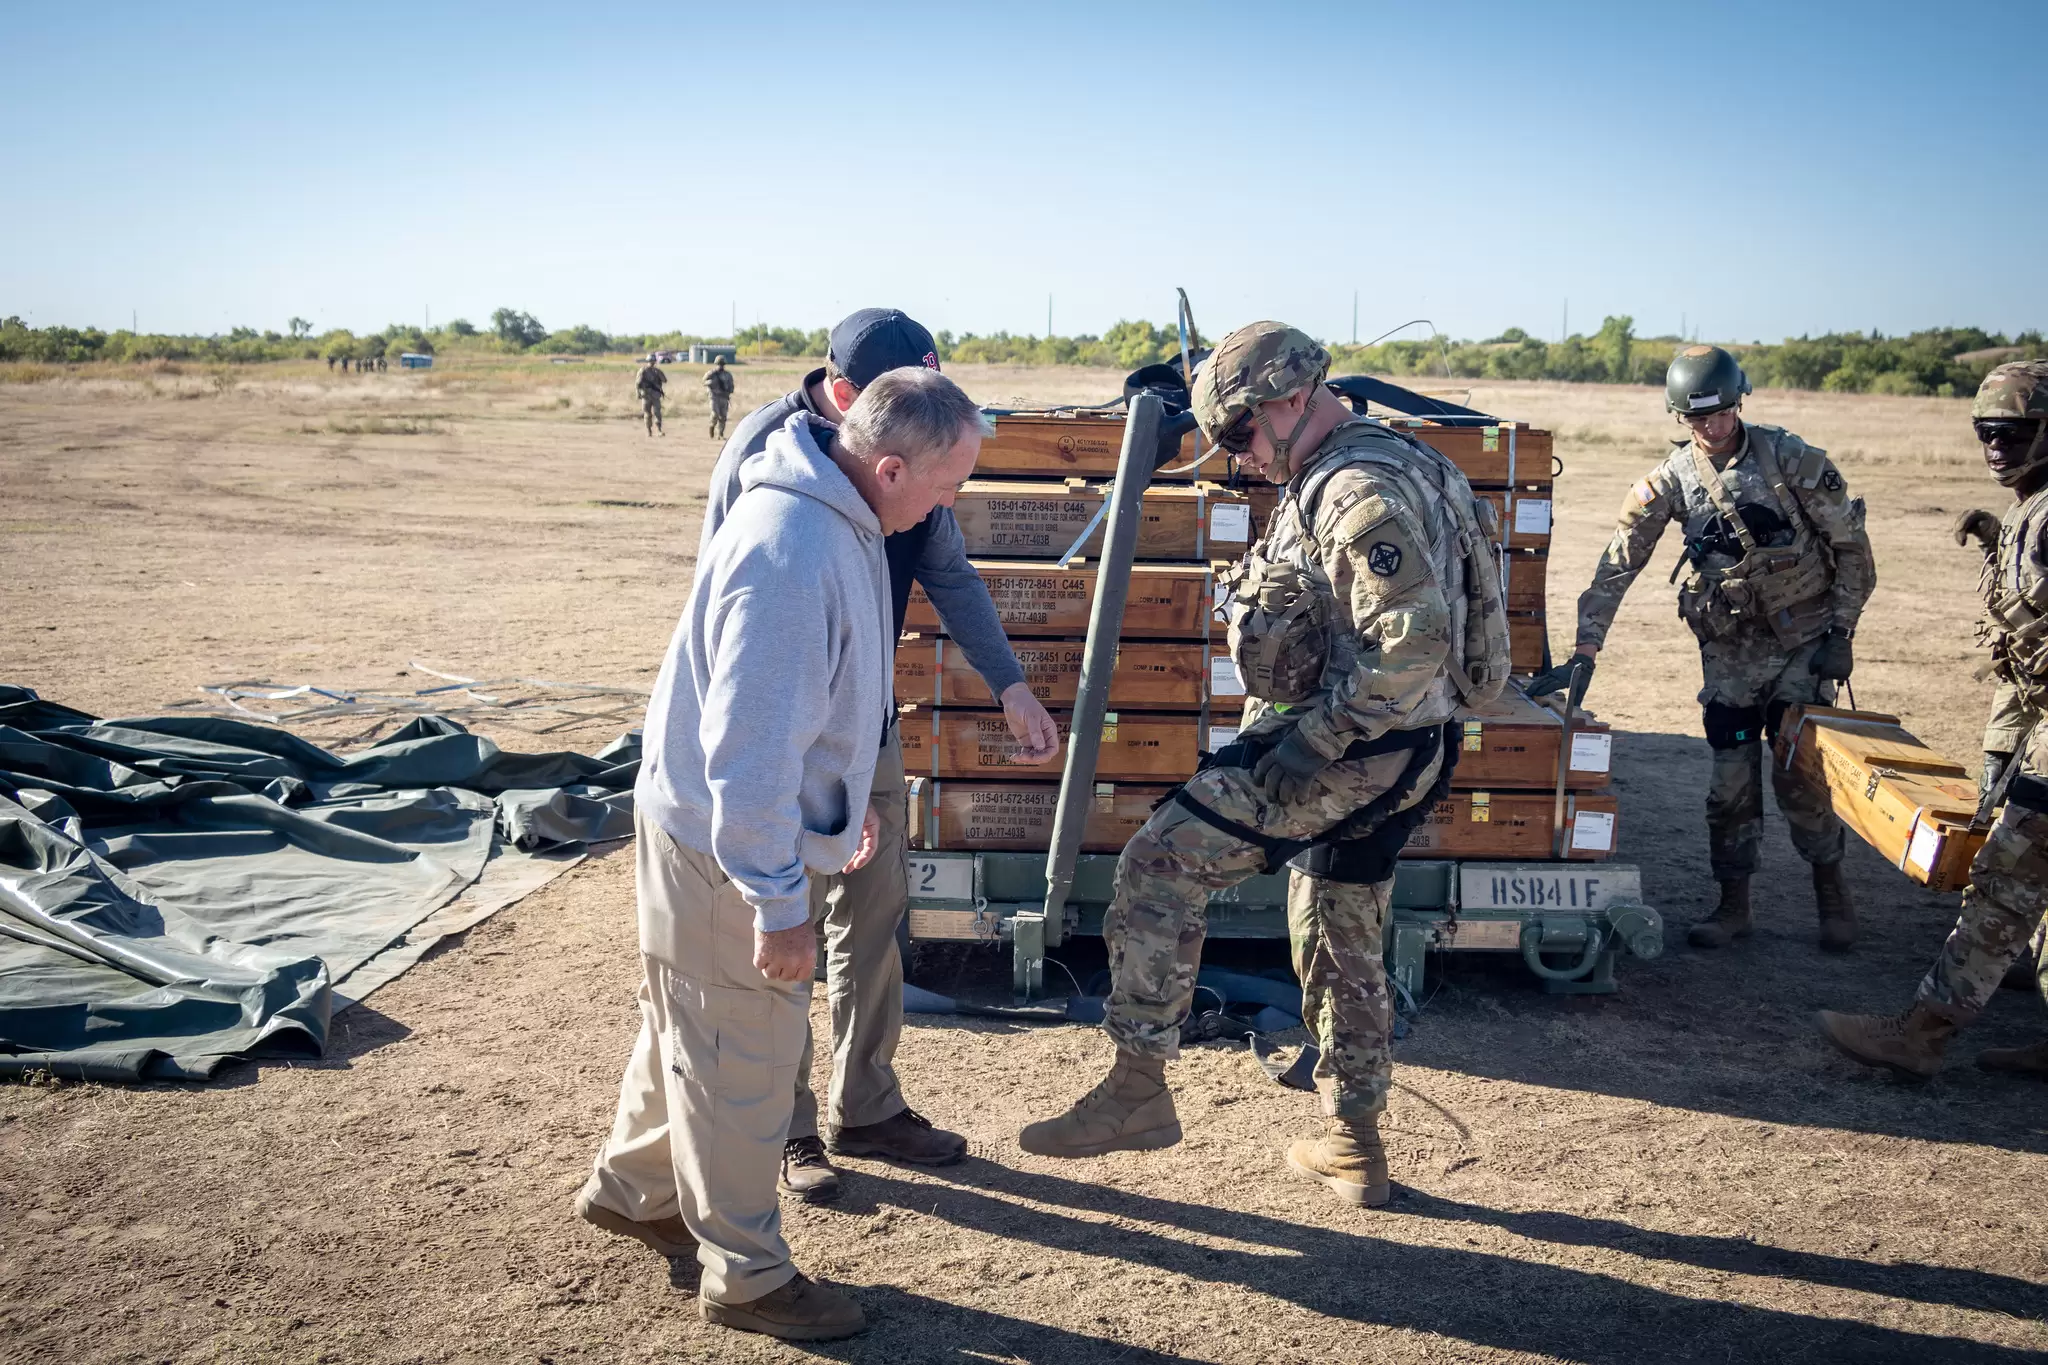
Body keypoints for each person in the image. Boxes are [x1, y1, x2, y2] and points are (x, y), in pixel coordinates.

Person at [1017, 322, 1511, 1208]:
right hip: (1407, 746)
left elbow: (1412, 639)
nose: (1237, 456)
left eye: (1241, 432)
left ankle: (1137, 1091)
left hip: (1355, 747)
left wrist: (1310, 743)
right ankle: (1354, 1143)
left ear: (1291, 399)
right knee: (1338, 925)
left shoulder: (1357, 489)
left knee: (1160, 862)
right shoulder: (1377, 460)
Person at [577, 368, 989, 1341]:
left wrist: (840, 816)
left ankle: (633, 1192)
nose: (950, 506)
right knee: (742, 1055)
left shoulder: (837, 515)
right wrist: (776, 900)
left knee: (689, 1023)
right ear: (889, 466)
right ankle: (748, 1276)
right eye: (946, 485)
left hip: (730, 829)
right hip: (727, 844)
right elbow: (750, 752)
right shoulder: (794, 547)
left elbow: (811, 711)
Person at [676, 307, 1055, 1202]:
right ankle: (792, 1126)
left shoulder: (915, 441)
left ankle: (869, 1103)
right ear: (848, 397)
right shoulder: (770, 460)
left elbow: (948, 567)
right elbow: (737, 620)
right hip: (792, 728)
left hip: (865, 724)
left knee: (876, 909)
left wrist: (1009, 682)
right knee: (786, 921)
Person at [1535, 345, 1875, 952]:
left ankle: (1832, 893)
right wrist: (1588, 644)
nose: (1710, 428)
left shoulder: (1791, 459)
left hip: (1802, 643)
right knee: (1729, 784)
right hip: (1729, 654)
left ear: (1739, 402)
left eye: (1719, 414)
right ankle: (1733, 904)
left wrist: (1842, 635)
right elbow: (1618, 562)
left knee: (1801, 777)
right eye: (1696, 419)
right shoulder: (1671, 481)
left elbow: (1852, 549)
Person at [1818, 361, 2048, 1081]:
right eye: (1986, 432)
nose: (1996, 447)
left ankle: (1924, 1031)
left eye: (2014, 432)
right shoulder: (2032, 509)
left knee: (2008, 878)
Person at [636, 353, 667, 437]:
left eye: (653, 361)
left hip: (656, 395)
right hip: (646, 395)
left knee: (657, 413)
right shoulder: (643, 371)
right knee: (647, 414)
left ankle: (659, 430)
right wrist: (638, 393)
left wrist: (659, 373)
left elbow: (664, 380)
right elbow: (638, 383)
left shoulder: (657, 371)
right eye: (650, 361)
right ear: (647, 361)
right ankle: (649, 430)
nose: (652, 363)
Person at [705, 355, 735, 439]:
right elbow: (704, 381)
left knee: (723, 416)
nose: (721, 366)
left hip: (724, 397)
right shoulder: (712, 373)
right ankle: (712, 426)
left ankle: (720, 434)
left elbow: (731, 385)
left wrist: (729, 390)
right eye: (719, 364)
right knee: (715, 414)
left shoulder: (728, 375)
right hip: (714, 397)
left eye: (722, 364)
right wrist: (711, 382)